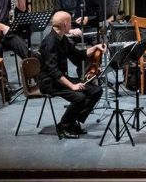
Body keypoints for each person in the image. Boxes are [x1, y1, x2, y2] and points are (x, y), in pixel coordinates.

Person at [37, 11, 104, 139]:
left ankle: (72, 121)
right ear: (65, 24)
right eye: (70, 22)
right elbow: (53, 71)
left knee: (96, 91)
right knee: (79, 97)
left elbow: (78, 55)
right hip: (49, 82)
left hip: (60, 78)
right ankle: (64, 125)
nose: (72, 25)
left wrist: (96, 47)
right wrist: (72, 86)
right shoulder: (50, 42)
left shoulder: (62, 39)